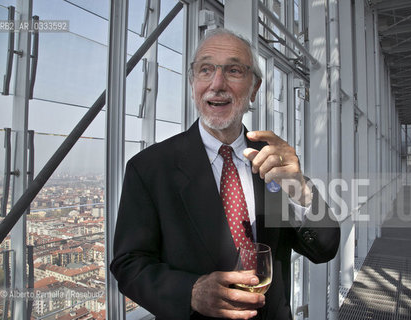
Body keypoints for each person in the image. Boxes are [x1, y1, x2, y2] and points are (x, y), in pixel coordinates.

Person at [110, 28, 340, 320]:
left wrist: (300, 191)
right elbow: (129, 264)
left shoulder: (275, 160)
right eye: (205, 70)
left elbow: (325, 249)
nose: (217, 84)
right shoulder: (149, 168)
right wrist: (190, 291)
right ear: (193, 82)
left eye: (233, 70)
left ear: (254, 88)